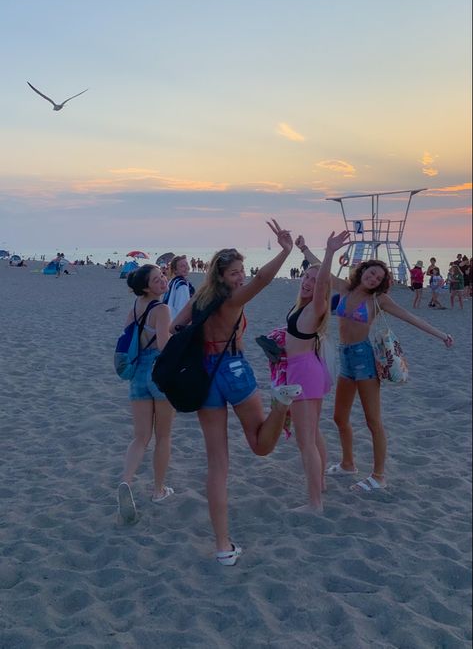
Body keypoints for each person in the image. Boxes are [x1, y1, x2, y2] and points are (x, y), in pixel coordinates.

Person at [170, 220, 302, 565]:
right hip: (233, 369)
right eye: (234, 273)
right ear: (221, 275)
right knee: (261, 446)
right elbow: (263, 280)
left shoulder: (200, 299)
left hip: (204, 375)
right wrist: (286, 250)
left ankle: (223, 547)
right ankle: (281, 405)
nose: (241, 277)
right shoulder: (231, 300)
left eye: (242, 272)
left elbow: (174, 327)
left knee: (217, 464)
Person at [307, 232, 453, 493]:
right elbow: (321, 271)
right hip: (345, 357)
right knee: (339, 417)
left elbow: (409, 317)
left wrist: (441, 335)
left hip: (364, 359)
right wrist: (305, 248)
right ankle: (348, 463)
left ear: (381, 283)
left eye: (378, 277)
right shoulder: (346, 289)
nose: (373, 278)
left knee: (373, 420)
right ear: (362, 271)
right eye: (370, 272)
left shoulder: (379, 300)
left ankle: (379, 475)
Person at [281, 244, 338, 511]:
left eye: (315, 282)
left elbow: (322, 284)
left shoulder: (317, 306)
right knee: (313, 434)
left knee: (305, 442)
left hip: (303, 372)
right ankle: (321, 483)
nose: (308, 283)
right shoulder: (300, 307)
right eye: (306, 277)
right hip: (304, 369)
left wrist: (329, 253)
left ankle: (314, 502)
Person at [117, 265, 175, 525]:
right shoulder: (161, 309)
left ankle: (126, 481)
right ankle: (158, 490)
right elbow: (163, 345)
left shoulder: (134, 309)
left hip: (138, 373)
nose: (163, 281)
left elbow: (129, 342)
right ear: (146, 287)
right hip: (158, 373)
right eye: (157, 279)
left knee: (140, 437)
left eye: (163, 276)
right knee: (163, 435)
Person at [164, 255, 195, 320]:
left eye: (186, 264)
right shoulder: (182, 285)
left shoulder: (172, 281)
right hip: (177, 323)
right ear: (175, 270)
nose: (186, 267)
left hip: (168, 318)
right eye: (182, 266)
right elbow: (183, 308)